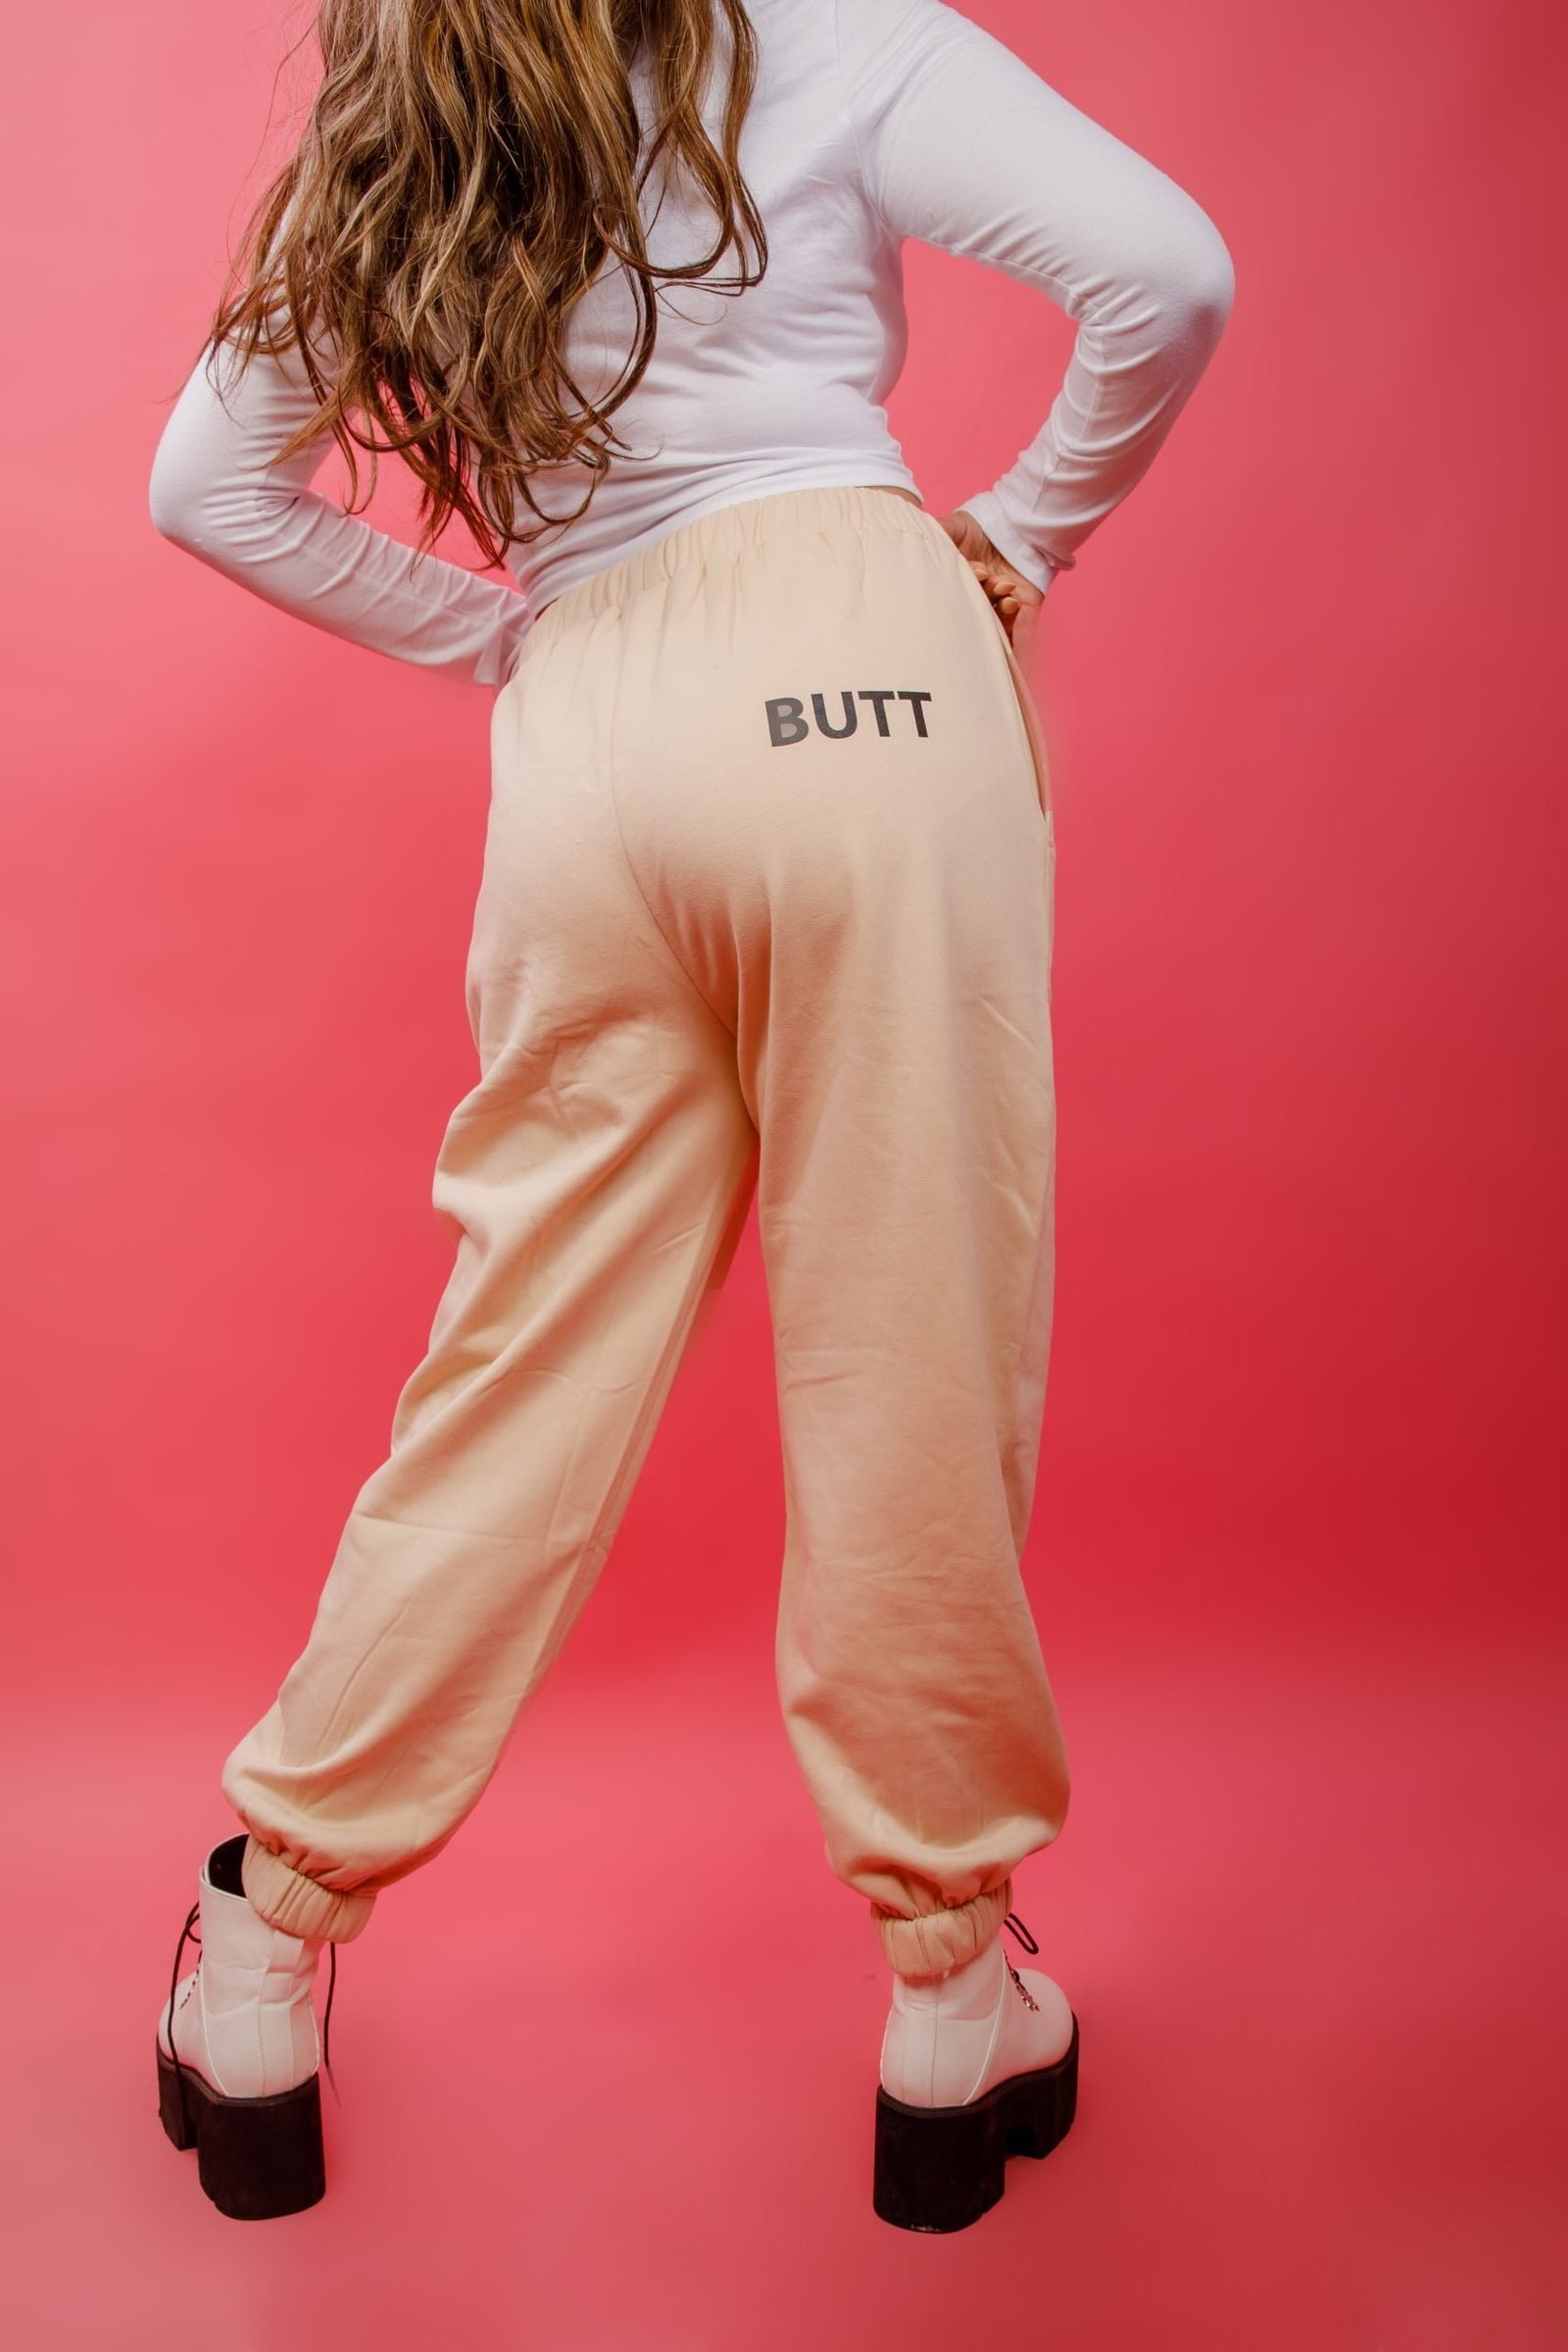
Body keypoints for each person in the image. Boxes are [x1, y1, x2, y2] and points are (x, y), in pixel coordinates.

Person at [147, 0, 1234, 2231]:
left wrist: (503, 641)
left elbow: (203, 488)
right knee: (911, 1340)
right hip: (868, 658)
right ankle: (951, 1990)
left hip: (592, 716)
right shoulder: (829, 30)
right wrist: (1023, 531)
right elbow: (1167, 270)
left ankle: (265, 1941)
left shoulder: (415, 98)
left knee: (518, 1361)